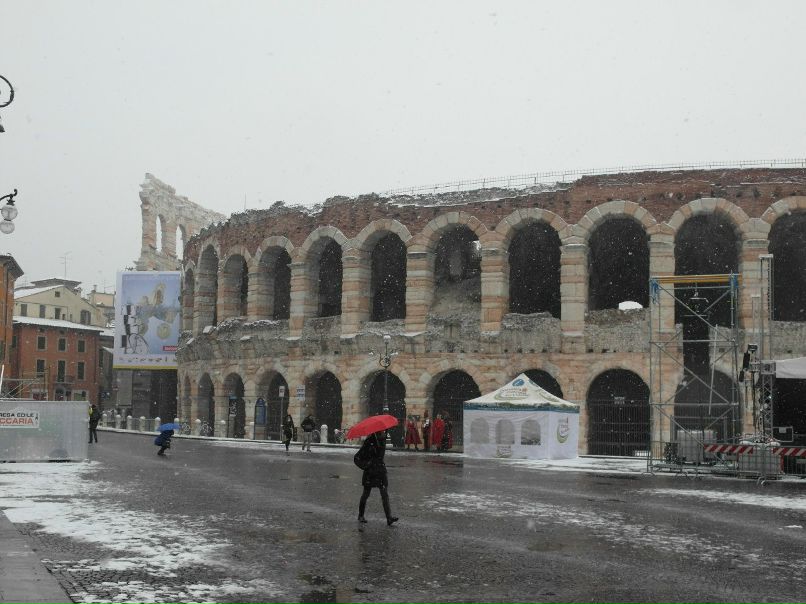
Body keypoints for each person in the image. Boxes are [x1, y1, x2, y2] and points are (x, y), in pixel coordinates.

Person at [356, 432, 398, 526]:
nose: (382, 431)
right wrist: (366, 465)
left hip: (380, 470)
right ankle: (361, 515)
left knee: (384, 494)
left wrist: (382, 442)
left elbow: (380, 455)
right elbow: (357, 458)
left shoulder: (382, 439)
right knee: (366, 494)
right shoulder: (369, 441)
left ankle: (389, 518)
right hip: (370, 471)